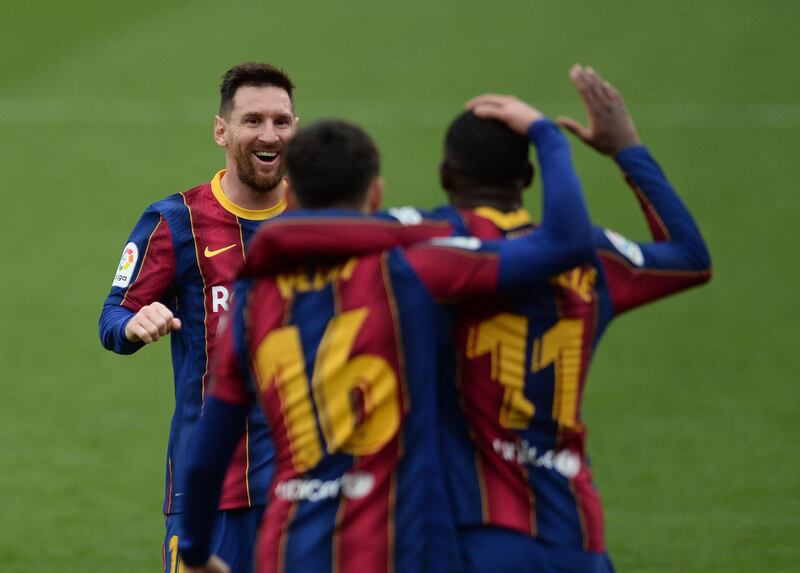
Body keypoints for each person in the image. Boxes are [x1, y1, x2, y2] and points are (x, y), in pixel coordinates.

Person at [178, 104, 594, 573]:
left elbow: (207, 453)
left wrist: (193, 553)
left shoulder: (251, 300)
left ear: (290, 199)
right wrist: (546, 135)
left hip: (291, 549)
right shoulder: (415, 270)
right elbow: (568, 242)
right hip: (399, 547)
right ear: (376, 195)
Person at [418, 65, 711, 572]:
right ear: (529, 178)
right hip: (575, 530)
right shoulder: (594, 259)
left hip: (476, 534)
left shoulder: (434, 253)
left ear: (446, 175)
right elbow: (691, 258)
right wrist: (628, 151)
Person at [98, 62, 299, 573]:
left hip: (305, 488)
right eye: (253, 120)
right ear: (221, 130)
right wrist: (132, 325)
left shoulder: (320, 220)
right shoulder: (176, 220)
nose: (269, 134)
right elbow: (112, 315)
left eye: (282, 121)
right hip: (209, 490)